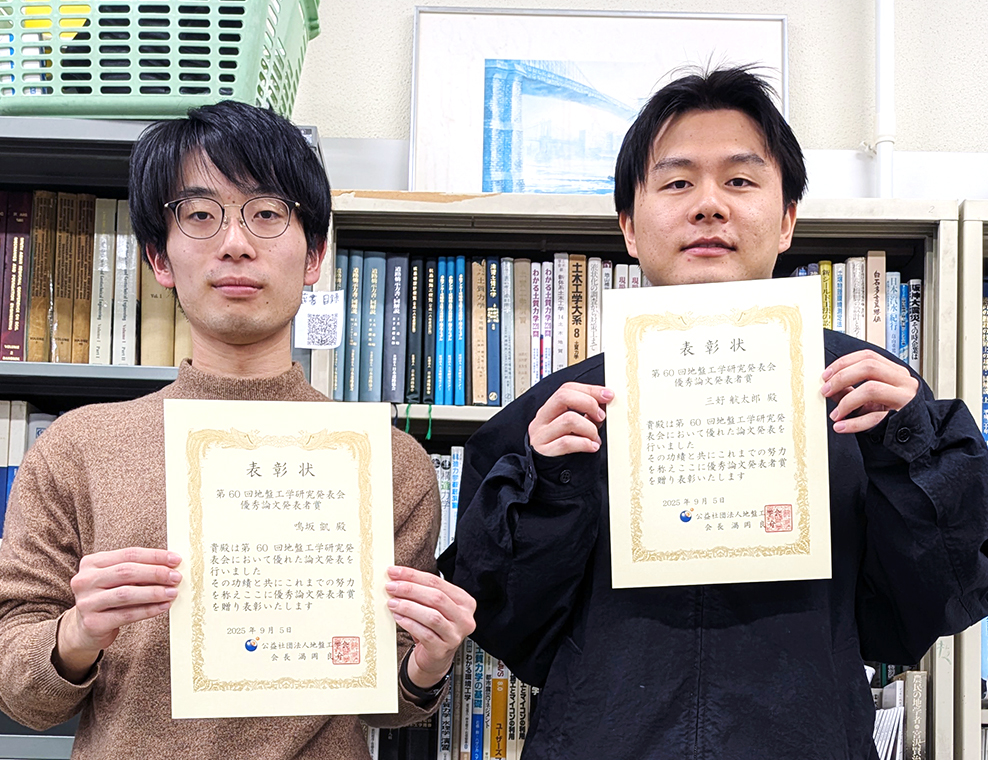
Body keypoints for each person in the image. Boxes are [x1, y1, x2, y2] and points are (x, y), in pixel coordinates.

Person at [438, 67, 988, 759]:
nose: (708, 206)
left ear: (786, 220)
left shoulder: (868, 398)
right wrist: (550, 488)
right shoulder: (554, 418)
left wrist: (907, 451)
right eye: (676, 183)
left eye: (740, 180)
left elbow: (917, 614)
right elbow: (506, 626)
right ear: (629, 227)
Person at [0, 100, 475, 759]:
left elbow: (383, 703)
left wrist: (426, 663)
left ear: (314, 254)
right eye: (200, 215)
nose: (235, 243)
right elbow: (21, 692)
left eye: (267, 213)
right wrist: (78, 634)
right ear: (159, 259)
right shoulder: (78, 448)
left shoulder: (388, 462)